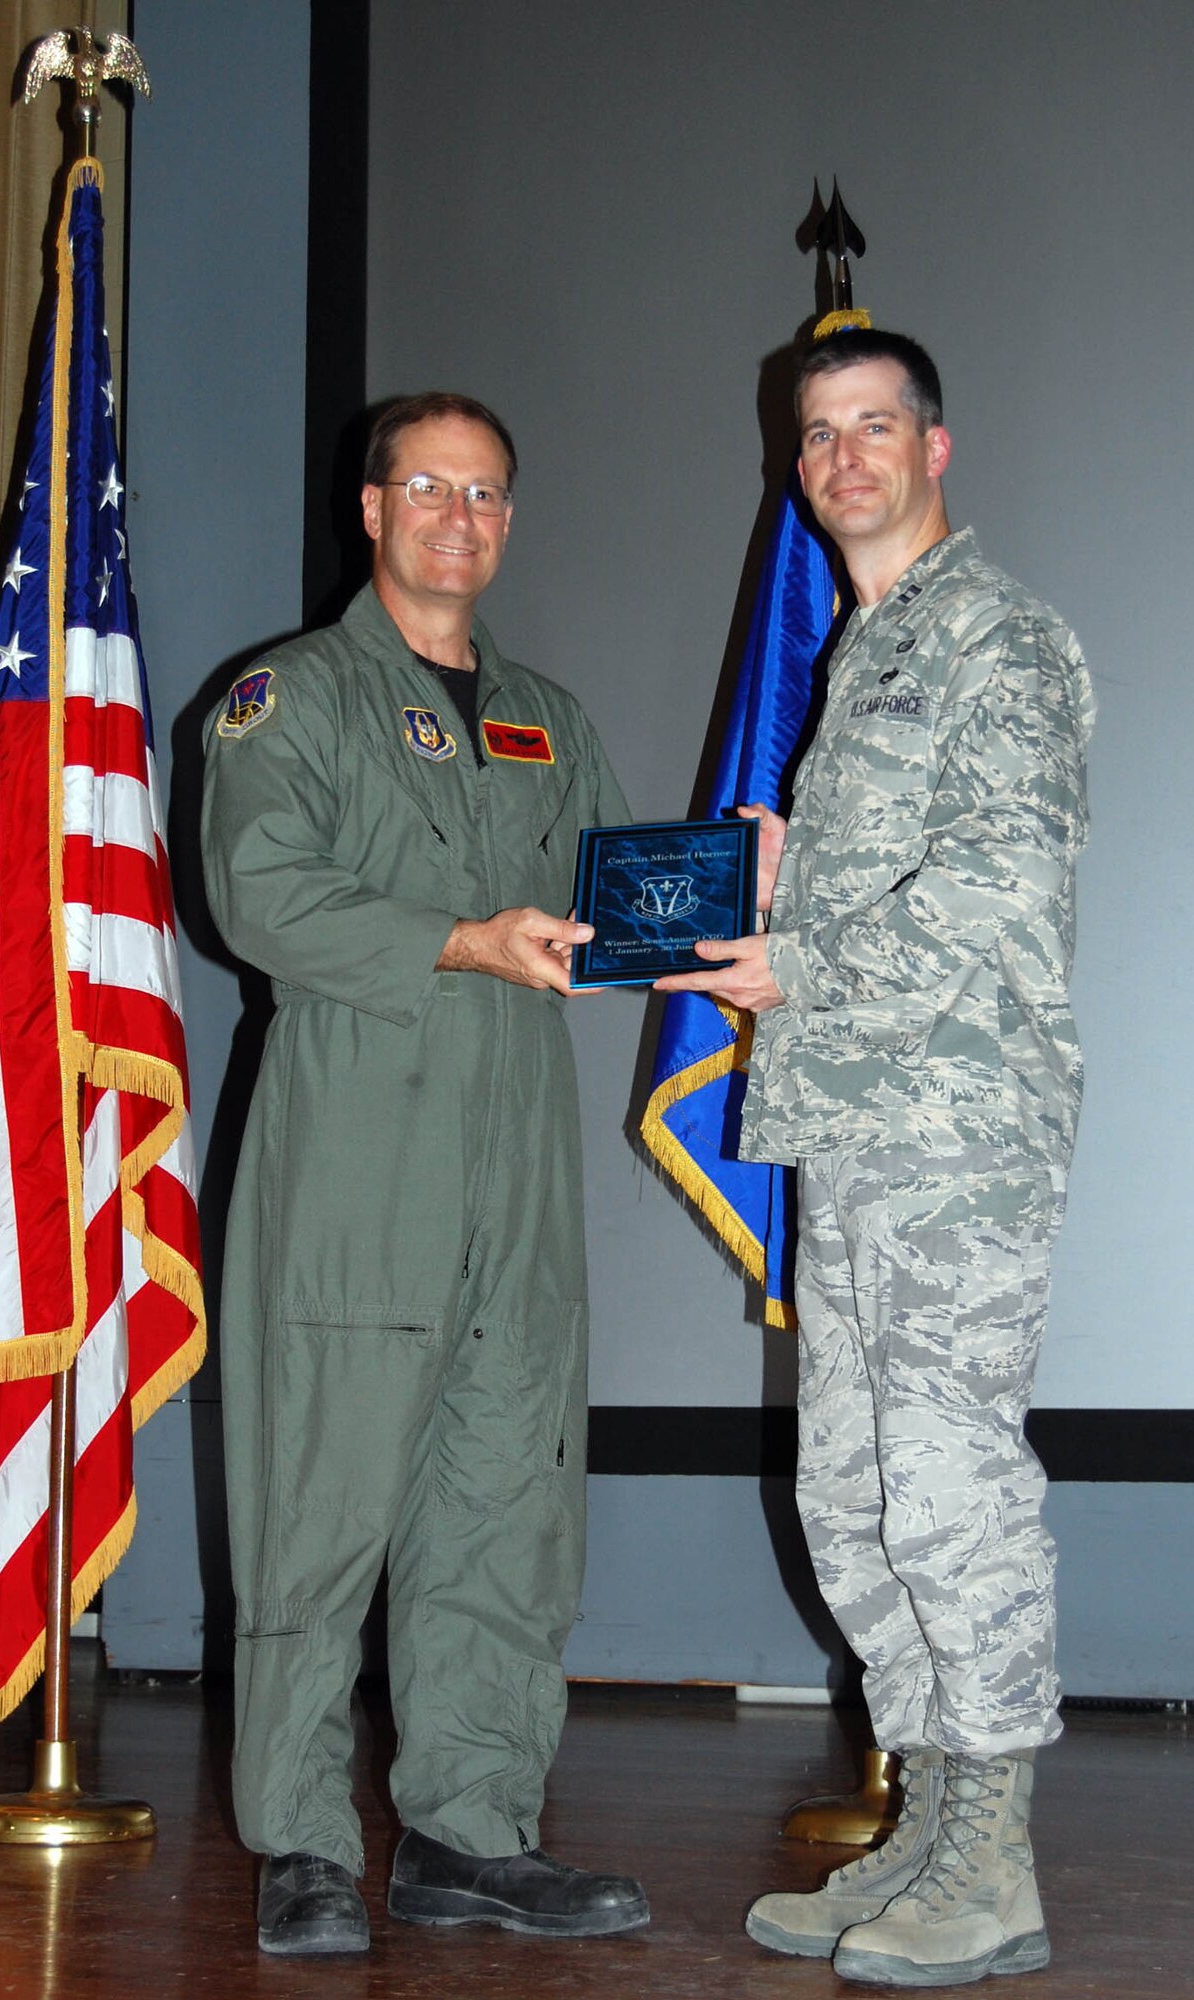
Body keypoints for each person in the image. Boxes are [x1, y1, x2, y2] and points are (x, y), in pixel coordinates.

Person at [657, 329, 1094, 1989]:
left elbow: (994, 889)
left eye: (875, 426)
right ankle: (923, 1815)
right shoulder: (860, 652)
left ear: (937, 447)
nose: (845, 455)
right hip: (849, 1123)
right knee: (853, 1489)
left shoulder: (999, 639)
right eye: (818, 433)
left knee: (951, 1480)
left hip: (957, 1132)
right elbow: (879, 893)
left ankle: (995, 1855)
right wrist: (779, 877)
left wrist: (808, 962)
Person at [201, 391, 648, 1956]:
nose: (461, 517)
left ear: (507, 524)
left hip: (517, 1158)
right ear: (374, 509)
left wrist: (718, 901)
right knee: (320, 1500)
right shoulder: (291, 698)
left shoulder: (547, 715)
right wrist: (459, 939)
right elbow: (258, 891)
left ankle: (469, 1829)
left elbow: (609, 896)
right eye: (430, 488)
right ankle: (304, 1844)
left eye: (488, 494)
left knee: (503, 1495)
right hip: (356, 1154)